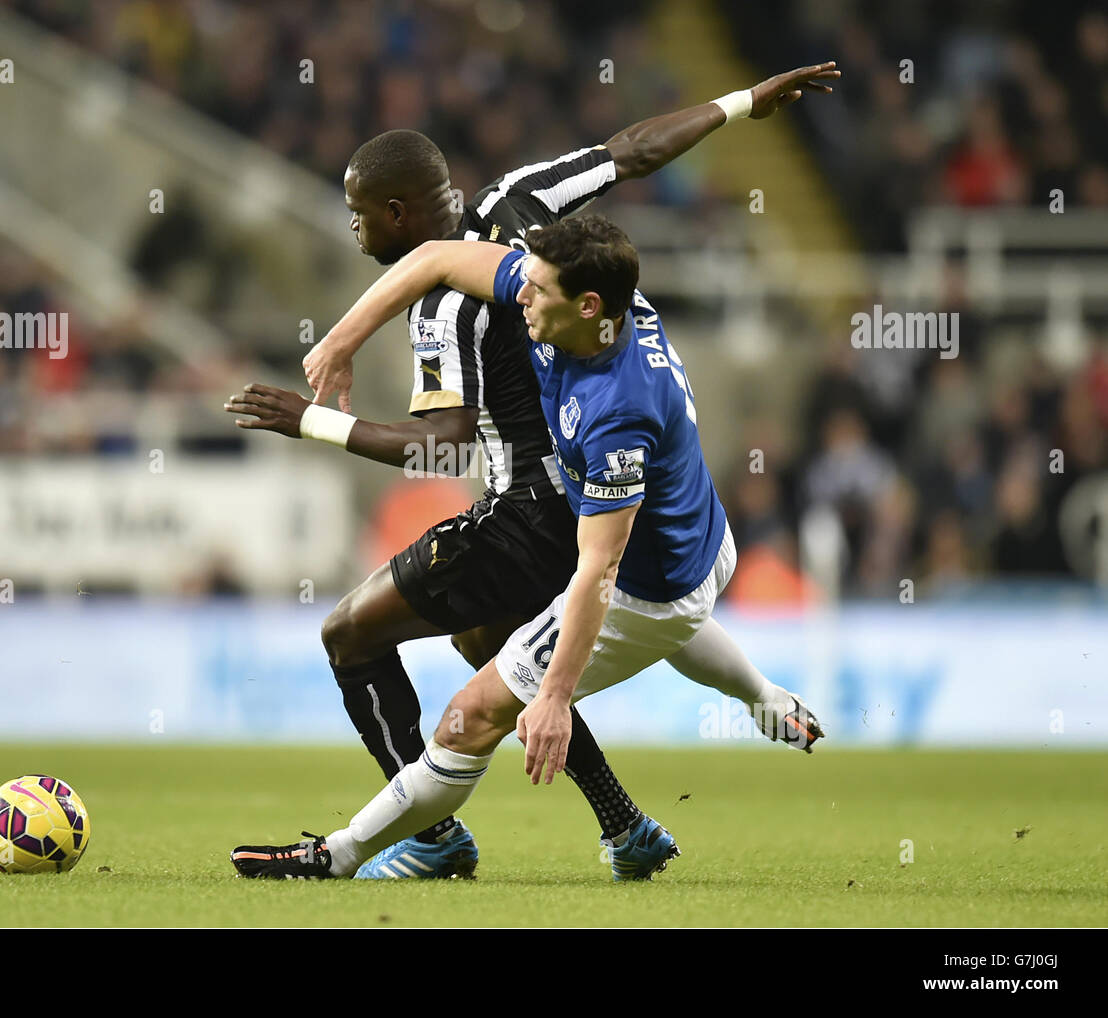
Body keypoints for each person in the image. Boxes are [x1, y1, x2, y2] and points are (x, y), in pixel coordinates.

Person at [227, 62, 838, 880]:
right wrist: (738, 104)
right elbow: (630, 152)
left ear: (396, 212)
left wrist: (314, 421)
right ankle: (624, 824)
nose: (353, 230)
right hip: (597, 509)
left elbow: (438, 442)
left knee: (351, 633)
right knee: (498, 643)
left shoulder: (453, 313)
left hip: (530, 511)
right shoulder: (522, 206)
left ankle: (429, 841)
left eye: (357, 215)